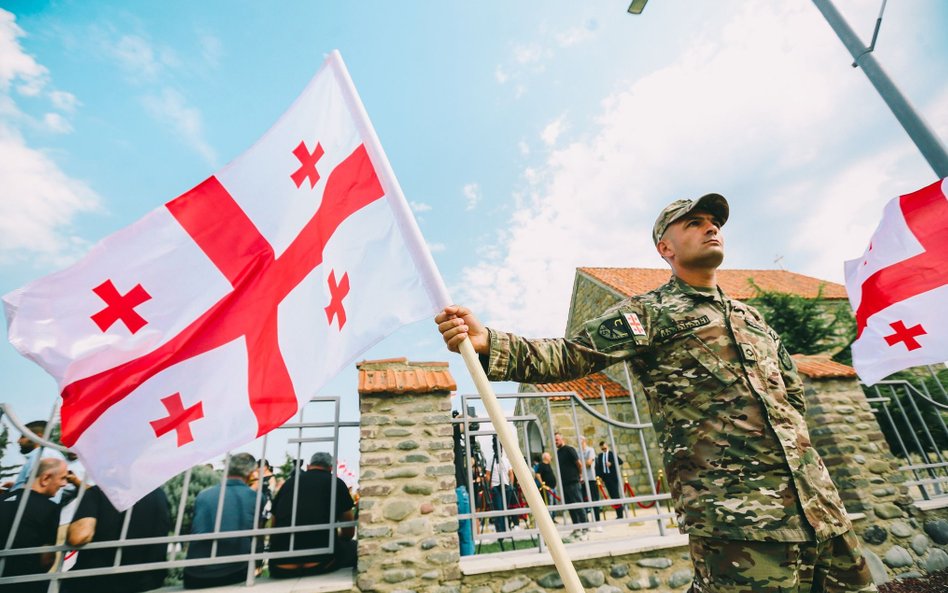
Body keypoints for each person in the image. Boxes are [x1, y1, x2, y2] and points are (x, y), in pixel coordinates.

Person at [435, 194, 876, 592]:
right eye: (694, 223)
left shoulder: (752, 317)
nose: (711, 227)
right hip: (739, 520)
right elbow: (571, 355)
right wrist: (489, 343)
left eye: (713, 221)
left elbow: (790, 394)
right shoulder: (651, 312)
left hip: (821, 509)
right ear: (665, 248)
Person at [64, 486, 171, 593]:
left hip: (98, 581)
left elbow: (79, 536)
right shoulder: (159, 494)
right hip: (146, 582)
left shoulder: (99, 491)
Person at [269, 452, 356, 578]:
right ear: (331, 468)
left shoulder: (289, 483)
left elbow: (274, 526)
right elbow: (349, 531)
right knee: (355, 547)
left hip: (280, 563)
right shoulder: (336, 483)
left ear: (309, 466)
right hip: (321, 561)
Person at [183, 453, 259, 589]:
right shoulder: (255, 497)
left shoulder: (203, 495)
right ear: (252, 473)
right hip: (232, 571)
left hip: (194, 574)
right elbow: (256, 536)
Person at [0, 458, 67, 593]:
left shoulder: (2, 499)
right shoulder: (50, 508)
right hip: (24, 582)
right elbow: (46, 559)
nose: (64, 484)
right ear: (45, 478)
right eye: (62, 478)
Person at [553, 432, 587, 539]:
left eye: (557, 439)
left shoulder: (569, 449)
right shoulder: (558, 453)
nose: (555, 442)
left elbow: (579, 464)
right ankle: (577, 527)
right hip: (564, 483)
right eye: (554, 440)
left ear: (562, 439)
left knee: (578, 504)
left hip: (573, 481)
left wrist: (580, 475)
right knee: (570, 507)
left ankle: (585, 526)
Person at [596, 441, 624, 519]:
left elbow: (620, 461)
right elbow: (599, 468)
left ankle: (620, 514)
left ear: (607, 446)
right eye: (602, 448)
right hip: (606, 477)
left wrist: (611, 463)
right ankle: (618, 512)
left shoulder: (611, 454)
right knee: (612, 495)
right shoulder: (600, 456)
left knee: (616, 495)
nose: (603, 449)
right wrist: (600, 477)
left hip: (613, 477)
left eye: (604, 448)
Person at [487, 451, 514, 533]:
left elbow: (511, 473)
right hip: (496, 486)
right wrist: (490, 485)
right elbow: (487, 474)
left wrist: (511, 484)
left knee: (506, 508)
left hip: (505, 485)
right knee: (499, 508)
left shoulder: (506, 460)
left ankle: (507, 528)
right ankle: (500, 530)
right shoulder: (491, 461)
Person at [579, 437, 601, 530]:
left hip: (591, 479)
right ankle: (586, 524)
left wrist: (580, 464)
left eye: (580, 440)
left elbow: (589, 462)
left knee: (594, 501)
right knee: (583, 502)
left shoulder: (590, 450)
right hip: (582, 480)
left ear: (584, 441)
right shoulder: (577, 452)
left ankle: (597, 523)